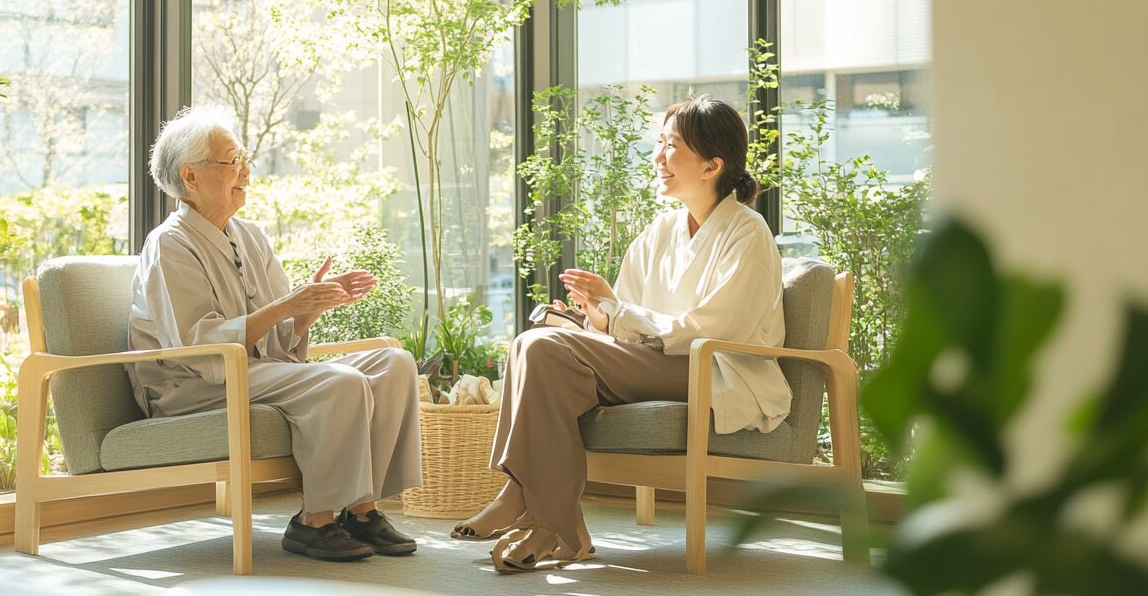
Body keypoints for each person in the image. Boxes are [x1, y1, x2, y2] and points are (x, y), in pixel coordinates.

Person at [452, 95, 791, 572]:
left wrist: (618, 315)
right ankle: (555, 524)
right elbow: (625, 327)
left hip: (717, 369)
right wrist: (597, 315)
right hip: (658, 363)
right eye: (660, 144)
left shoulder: (747, 232)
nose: (658, 158)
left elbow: (713, 330)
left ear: (713, 164)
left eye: (671, 147)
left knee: (544, 348)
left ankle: (532, 504)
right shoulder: (658, 232)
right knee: (534, 344)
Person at [127, 107, 422, 562]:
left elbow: (279, 343)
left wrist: (306, 311)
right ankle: (314, 521)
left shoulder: (251, 236)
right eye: (232, 161)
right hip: (192, 386)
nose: (245, 171)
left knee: (393, 363)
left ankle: (362, 510)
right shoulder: (169, 244)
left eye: (243, 159)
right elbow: (198, 347)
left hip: (251, 371)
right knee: (339, 381)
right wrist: (288, 305)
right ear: (191, 177)